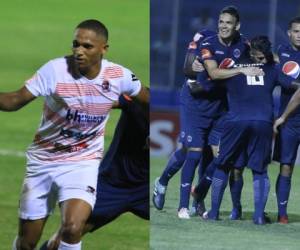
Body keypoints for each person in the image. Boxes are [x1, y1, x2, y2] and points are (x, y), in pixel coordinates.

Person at [0, 19, 148, 250]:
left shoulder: (120, 76)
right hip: (43, 162)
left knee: (72, 228)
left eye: (87, 46)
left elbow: (148, 98)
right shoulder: (55, 70)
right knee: (27, 243)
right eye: (76, 44)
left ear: (103, 49)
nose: (79, 51)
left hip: (82, 163)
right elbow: (14, 101)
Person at [203, 35, 296, 225]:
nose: (260, 60)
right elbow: (292, 85)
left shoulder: (231, 67)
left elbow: (208, 83)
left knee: (223, 166)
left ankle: (214, 213)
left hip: (235, 120)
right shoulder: (273, 69)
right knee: (260, 170)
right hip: (262, 121)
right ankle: (259, 216)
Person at [40, 94, 149, 249]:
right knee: (69, 232)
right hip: (111, 184)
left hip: (146, 189)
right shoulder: (140, 99)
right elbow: (106, 100)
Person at [191, 5, 263, 220]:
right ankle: (200, 200)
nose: (223, 26)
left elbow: (263, 55)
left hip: (229, 110)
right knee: (213, 157)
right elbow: (213, 72)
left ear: (237, 26)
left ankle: (228, 206)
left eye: (228, 22)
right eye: (221, 22)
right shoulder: (208, 43)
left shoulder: (245, 44)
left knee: (228, 161)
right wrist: (242, 69)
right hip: (207, 106)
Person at [152, 29, 223, 219]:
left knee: (213, 155)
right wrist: (195, 67)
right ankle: (164, 183)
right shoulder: (203, 37)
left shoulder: (238, 44)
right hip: (194, 102)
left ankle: (198, 200)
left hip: (218, 107)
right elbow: (187, 67)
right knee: (190, 151)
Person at [272, 16, 300, 224]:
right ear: (289, 33)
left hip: (286, 117)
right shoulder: (282, 52)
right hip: (289, 120)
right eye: (296, 31)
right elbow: (281, 79)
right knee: (286, 166)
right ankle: (282, 213)